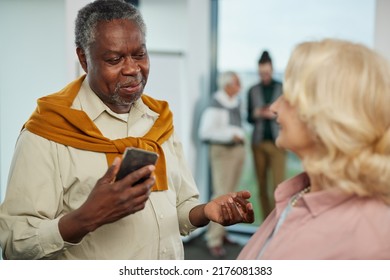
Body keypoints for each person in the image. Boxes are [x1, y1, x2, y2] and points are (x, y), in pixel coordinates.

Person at [0, 0, 254, 260]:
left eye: (140, 54)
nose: (133, 69)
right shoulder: (47, 131)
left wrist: (206, 212)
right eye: (114, 59)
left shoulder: (159, 122)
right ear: (83, 59)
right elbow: (13, 241)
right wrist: (84, 219)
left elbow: (178, 208)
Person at [238, 38, 390, 259]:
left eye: (289, 96)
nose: (274, 107)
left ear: (328, 114)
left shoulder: (371, 241)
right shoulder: (298, 193)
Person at [198, 71, 246, 257]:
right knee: (221, 194)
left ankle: (223, 232)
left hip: (236, 150)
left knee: (232, 195)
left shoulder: (236, 101)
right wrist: (229, 135)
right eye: (236, 82)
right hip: (223, 152)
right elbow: (205, 133)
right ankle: (214, 238)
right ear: (227, 85)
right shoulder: (215, 104)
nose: (239, 85)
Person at [247, 50, 286, 220]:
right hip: (258, 142)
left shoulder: (282, 88)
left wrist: (275, 114)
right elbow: (248, 117)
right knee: (261, 186)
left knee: (279, 186)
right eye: (261, 73)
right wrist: (257, 113)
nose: (264, 75)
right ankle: (266, 223)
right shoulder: (252, 90)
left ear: (272, 69)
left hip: (278, 143)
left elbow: (290, 115)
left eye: (267, 72)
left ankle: (278, 223)